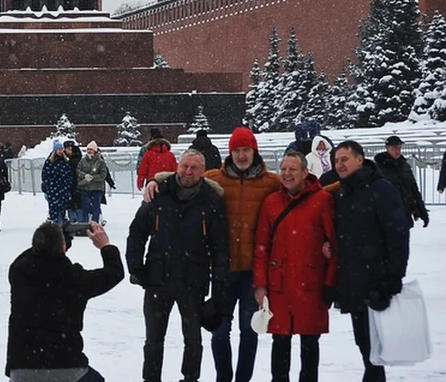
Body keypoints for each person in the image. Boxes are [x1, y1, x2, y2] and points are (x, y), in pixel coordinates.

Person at [143, 126, 280, 382]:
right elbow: (183, 176)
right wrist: (155, 179)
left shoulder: (270, 181)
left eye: (246, 150)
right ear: (230, 152)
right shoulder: (216, 178)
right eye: (237, 150)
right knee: (219, 331)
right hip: (224, 270)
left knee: (249, 332)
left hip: (252, 270)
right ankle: (223, 378)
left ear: (254, 151)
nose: (241, 155)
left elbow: (299, 187)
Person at [127, 148, 230, 382]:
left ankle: (190, 378)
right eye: (185, 166)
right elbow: (137, 233)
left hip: (192, 279)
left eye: (194, 168)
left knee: (193, 340)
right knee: (153, 340)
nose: (188, 172)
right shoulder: (159, 193)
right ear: (177, 166)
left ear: (204, 172)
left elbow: (220, 248)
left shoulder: (212, 202)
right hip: (157, 277)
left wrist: (219, 287)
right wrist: (136, 267)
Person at [252, 150, 337, 382]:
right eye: (283, 169)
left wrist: (330, 283)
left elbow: (334, 245)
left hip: (311, 284)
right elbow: (261, 246)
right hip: (279, 284)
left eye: (292, 169)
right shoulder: (271, 202)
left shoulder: (322, 201)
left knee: (310, 342)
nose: (287, 174)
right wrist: (260, 284)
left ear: (305, 172)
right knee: (280, 341)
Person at [6, 221, 124, 382]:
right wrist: (105, 246)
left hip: (22, 368)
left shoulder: (19, 272)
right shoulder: (75, 278)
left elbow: (31, 254)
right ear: (62, 248)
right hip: (67, 367)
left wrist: (58, 238)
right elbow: (115, 273)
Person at [332, 140, 410, 382]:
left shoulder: (381, 189)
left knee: (375, 351)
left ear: (360, 159)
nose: (340, 165)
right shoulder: (344, 191)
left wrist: (393, 278)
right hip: (354, 284)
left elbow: (398, 235)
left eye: (344, 159)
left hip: (377, 282)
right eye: (336, 161)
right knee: (366, 346)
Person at [373, 135, 429, 228]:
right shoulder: (378, 168)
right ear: (387, 148)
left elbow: (414, 189)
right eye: (394, 148)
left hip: (404, 211)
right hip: (386, 214)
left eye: (399, 147)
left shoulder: (404, 165)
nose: (397, 150)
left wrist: (422, 211)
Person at [40, 140, 74, 225]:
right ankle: (54, 225)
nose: (60, 151)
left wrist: (67, 184)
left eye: (61, 149)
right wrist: (50, 184)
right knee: (54, 209)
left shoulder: (65, 161)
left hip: (63, 189)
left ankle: (62, 226)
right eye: (58, 149)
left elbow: (69, 174)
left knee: (62, 209)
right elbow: (45, 175)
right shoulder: (50, 162)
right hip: (53, 189)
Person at [75, 141, 109, 225]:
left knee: (96, 207)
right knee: (85, 206)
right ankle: (84, 224)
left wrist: (93, 178)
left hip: (97, 188)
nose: (89, 151)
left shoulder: (100, 162)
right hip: (85, 187)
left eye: (91, 149)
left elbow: (103, 174)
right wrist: (85, 176)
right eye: (88, 149)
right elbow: (78, 170)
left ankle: (95, 224)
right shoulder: (82, 161)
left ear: (95, 150)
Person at [64, 140, 85, 222]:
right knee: (69, 203)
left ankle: (79, 220)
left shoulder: (77, 157)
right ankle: (72, 219)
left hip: (77, 184)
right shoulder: (62, 157)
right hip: (67, 184)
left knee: (78, 203)